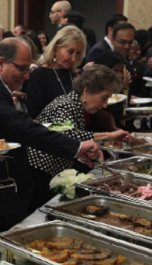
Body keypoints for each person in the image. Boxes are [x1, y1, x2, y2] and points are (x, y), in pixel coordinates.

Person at [0, 38, 100, 226]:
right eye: (22, 69)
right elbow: (21, 126)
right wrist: (76, 146)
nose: (27, 76)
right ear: (0, 63)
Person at [31, 65, 128, 211]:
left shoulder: (76, 105)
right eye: (104, 98)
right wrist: (109, 136)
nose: (105, 105)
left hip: (52, 172)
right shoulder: (64, 105)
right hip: (39, 174)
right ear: (86, 91)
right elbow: (67, 135)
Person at [26, 26, 86, 119]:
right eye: (70, 52)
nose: (73, 58)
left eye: (78, 53)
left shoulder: (74, 74)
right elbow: (34, 114)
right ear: (56, 47)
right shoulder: (39, 75)